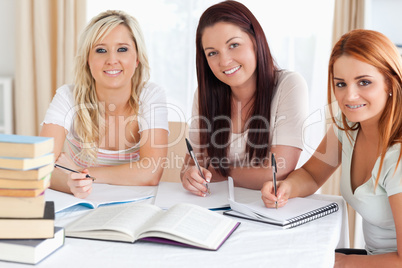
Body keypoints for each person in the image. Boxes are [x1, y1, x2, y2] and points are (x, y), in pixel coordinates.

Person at [261, 29, 402, 266]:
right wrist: (286, 188)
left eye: (364, 82)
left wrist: (341, 262)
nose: (350, 96)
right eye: (341, 84)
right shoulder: (348, 125)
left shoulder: (398, 156)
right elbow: (312, 174)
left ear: (390, 82)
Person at [180, 0, 308, 196]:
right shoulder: (204, 94)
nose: (224, 61)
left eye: (233, 45)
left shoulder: (289, 85)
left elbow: (278, 171)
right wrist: (188, 175)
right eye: (212, 53)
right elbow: (193, 161)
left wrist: (217, 172)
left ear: (256, 41)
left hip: (271, 208)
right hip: (218, 206)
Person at [40, 10, 169, 198]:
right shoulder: (67, 97)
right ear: (87, 59)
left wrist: (81, 173)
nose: (112, 60)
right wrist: (71, 183)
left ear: (137, 58)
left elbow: (151, 173)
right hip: (84, 205)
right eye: (101, 50)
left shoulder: (151, 95)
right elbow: (41, 167)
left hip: (136, 206)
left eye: (122, 49)